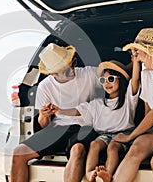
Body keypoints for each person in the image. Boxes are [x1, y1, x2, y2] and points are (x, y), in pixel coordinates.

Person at [10, 43, 100, 182]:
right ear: (53, 74)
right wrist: (43, 116)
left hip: (84, 126)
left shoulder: (88, 74)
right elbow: (44, 126)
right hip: (58, 128)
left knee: (77, 150)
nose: (72, 70)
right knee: (18, 153)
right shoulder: (45, 86)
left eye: (73, 63)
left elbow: (115, 74)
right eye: (65, 71)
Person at [52, 58, 140, 182]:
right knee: (94, 144)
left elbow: (135, 79)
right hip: (103, 135)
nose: (106, 83)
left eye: (111, 79)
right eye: (103, 80)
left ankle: (107, 174)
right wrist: (59, 110)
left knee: (113, 148)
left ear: (120, 79)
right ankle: (90, 173)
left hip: (123, 135)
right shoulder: (97, 103)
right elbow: (78, 111)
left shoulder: (128, 99)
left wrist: (136, 61)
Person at [112, 28, 153, 182]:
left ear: (152, 53)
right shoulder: (146, 75)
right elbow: (148, 113)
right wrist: (137, 138)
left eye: (138, 53)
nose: (137, 59)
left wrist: (130, 137)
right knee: (134, 151)